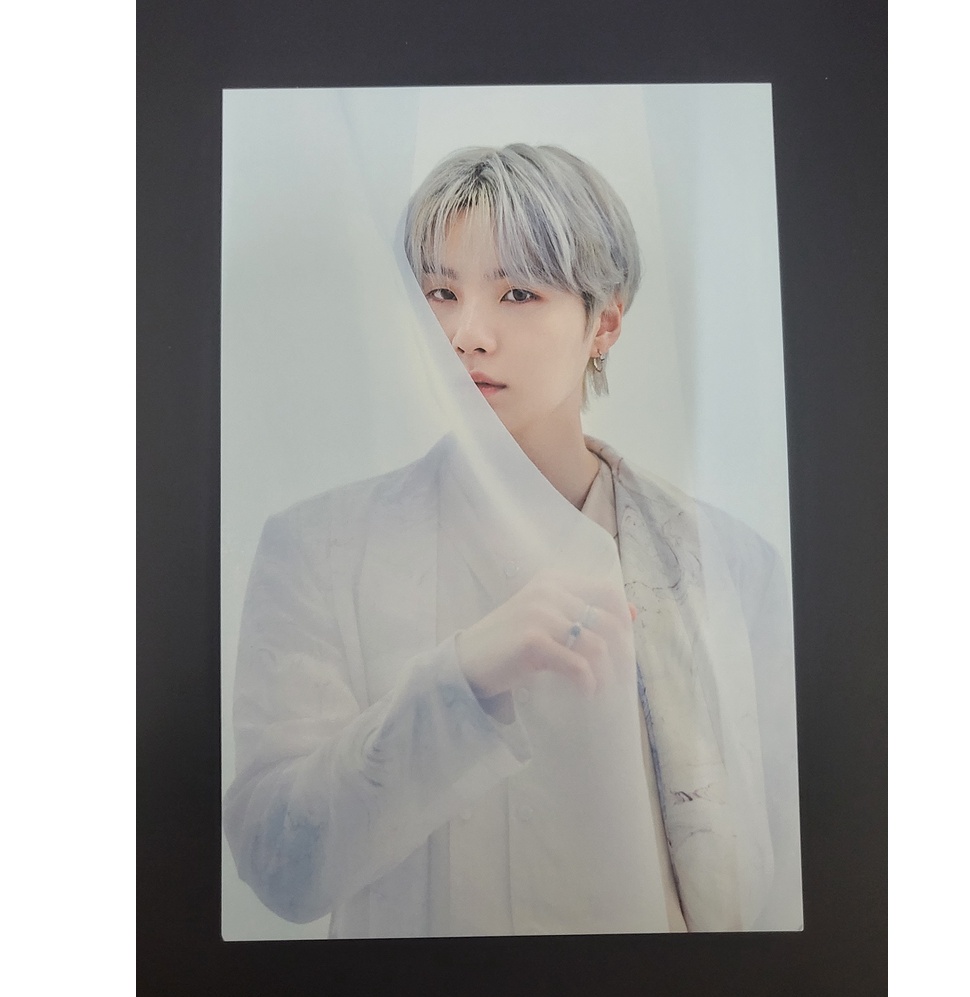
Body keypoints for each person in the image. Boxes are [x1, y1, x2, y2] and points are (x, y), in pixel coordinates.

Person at [224, 143, 802, 936]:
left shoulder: (730, 565)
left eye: (519, 293)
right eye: (441, 293)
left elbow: (777, 893)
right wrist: (459, 680)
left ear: (605, 322)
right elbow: (280, 867)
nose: (467, 335)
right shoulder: (319, 550)